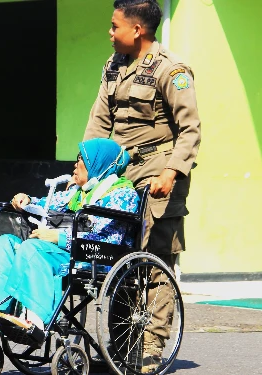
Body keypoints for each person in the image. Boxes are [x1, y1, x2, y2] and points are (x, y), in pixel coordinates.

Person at [83, 0, 201, 372]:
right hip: (119, 175)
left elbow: (190, 129)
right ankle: (121, 349)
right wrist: (84, 165)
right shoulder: (113, 66)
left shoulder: (172, 70)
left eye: (115, 25)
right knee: (116, 258)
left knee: (155, 264)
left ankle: (150, 351)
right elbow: (99, 120)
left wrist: (172, 172)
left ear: (138, 30)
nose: (109, 31)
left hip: (160, 173)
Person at [0, 138, 140, 343]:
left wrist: (58, 237)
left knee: (33, 248)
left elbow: (106, 235)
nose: (75, 164)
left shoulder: (123, 195)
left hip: (96, 258)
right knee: (5, 244)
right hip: (66, 252)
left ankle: (35, 322)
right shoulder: (78, 193)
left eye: (81, 159)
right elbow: (45, 203)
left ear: (98, 163)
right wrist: (25, 200)